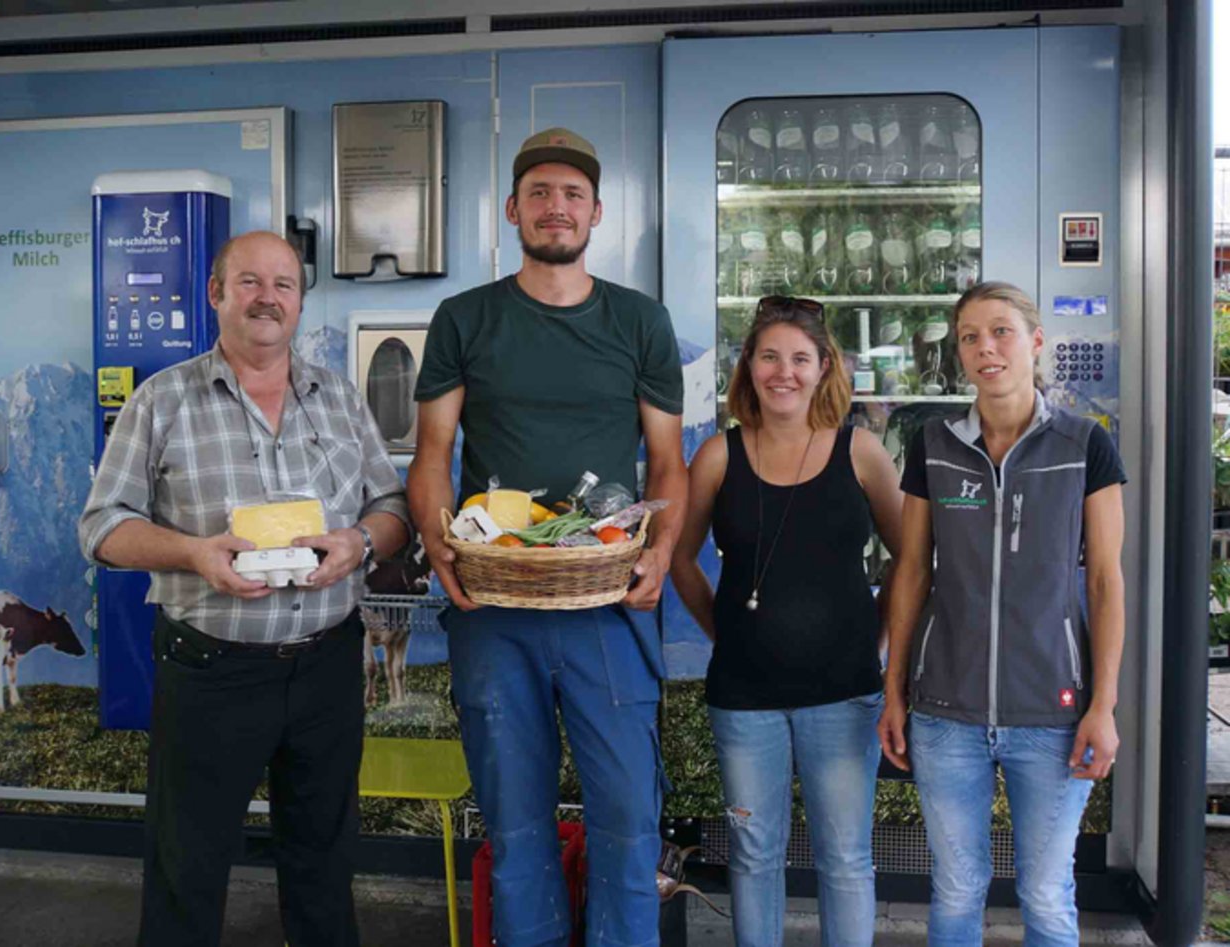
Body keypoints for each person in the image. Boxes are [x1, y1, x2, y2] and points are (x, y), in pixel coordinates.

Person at [78, 231, 410, 947]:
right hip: (211, 669)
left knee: (324, 860)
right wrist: (194, 553)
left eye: (283, 284)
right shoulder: (162, 399)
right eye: (250, 282)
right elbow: (101, 528)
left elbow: (392, 506)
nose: (267, 298)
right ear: (216, 293)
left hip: (327, 665)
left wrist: (359, 542)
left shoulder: (339, 398)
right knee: (187, 866)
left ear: (299, 301)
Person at [407, 127, 688, 946]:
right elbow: (432, 454)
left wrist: (660, 552)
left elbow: (667, 461)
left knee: (628, 820)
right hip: (494, 606)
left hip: (609, 602)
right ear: (512, 210)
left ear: (596, 212)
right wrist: (438, 544)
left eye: (572, 195)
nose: (555, 207)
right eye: (539, 193)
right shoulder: (465, 318)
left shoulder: (639, 320)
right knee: (515, 824)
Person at [876, 281, 1126, 946]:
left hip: (1052, 713)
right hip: (945, 714)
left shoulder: (1084, 445)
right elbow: (911, 570)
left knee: (1045, 891)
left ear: (1035, 342)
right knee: (957, 887)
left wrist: (1103, 706)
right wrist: (895, 690)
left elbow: (1105, 580)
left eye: (1001, 332)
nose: (985, 348)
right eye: (970, 337)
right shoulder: (933, 445)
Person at [669, 296, 904, 947]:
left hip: (845, 694)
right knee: (753, 857)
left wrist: (880, 641)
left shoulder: (862, 452)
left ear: (824, 366)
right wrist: (724, 632)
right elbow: (680, 559)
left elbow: (911, 560)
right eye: (769, 356)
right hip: (745, 700)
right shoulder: (718, 456)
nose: (784, 372)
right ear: (748, 365)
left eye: (800, 358)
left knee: (846, 858)